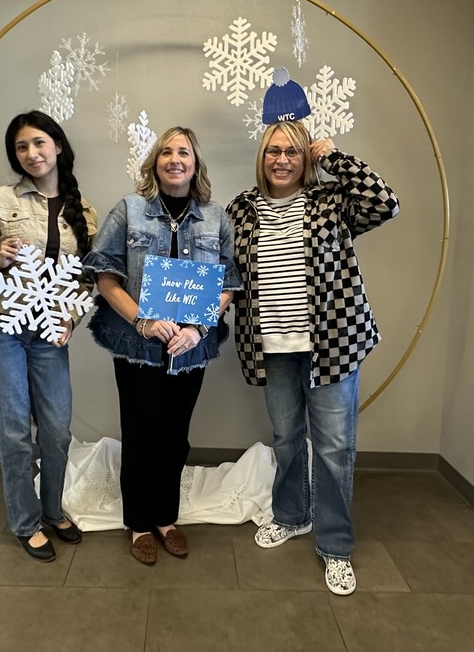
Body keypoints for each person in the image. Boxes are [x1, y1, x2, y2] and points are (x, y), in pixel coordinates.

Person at [227, 108, 399, 595]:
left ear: (306, 157)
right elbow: (226, 271)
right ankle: (291, 515)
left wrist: (337, 157)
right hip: (271, 347)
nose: (282, 160)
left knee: (334, 447)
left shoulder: (333, 199)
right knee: (285, 438)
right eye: (273, 151)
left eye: (293, 151)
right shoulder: (240, 208)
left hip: (333, 344)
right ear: (262, 157)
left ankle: (336, 546)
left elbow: (386, 203)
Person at [84, 126, 240, 566]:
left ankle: (166, 518)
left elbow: (228, 283)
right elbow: (104, 276)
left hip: (190, 349)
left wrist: (201, 328)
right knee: (141, 434)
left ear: (195, 164)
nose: (175, 158)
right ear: (155, 162)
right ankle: (137, 523)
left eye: (184, 152)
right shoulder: (129, 211)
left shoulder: (216, 217)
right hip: (138, 346)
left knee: (175, 437)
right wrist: (143, 320)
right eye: (166, 151)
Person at [0, 110, 97, 562]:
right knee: (15, 431)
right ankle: (25, 520)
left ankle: (54, 509)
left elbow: (88, 280)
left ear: (57, 146)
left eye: (39, 143)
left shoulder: (83, 211)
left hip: (49, 331)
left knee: (55, 429)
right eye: (21, 147)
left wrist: (70, 318)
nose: (31, 153)